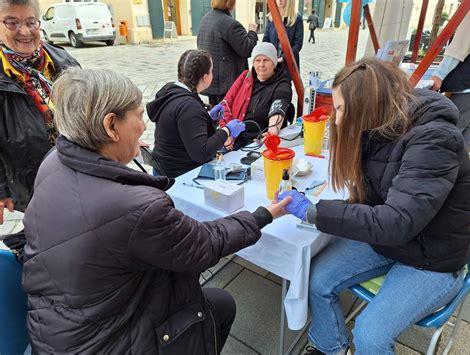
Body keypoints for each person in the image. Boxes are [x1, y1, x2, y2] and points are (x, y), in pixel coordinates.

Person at [22, 67, 292, 354]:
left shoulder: (53, 162)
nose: (142, 126)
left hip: (59, 330)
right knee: (221, 305)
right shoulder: (136, 208)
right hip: (108, 340)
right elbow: (205, 243)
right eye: (138, 117)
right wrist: (263, 214)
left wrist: (116, 159)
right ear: (111, 126)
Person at [278, 58, 470, 354]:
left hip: (431, 258)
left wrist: (316, 212)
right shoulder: (380, 125)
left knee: (370, 334)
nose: (338, 119)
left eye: (341, 109)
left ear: (366, 103)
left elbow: (397, 221)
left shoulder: (434, 138)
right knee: (315, 279)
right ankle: (330, 346)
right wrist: (325, 210)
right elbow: (377, 204)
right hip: (390, 241)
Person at [0, 0, 78, 224]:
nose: (24, 31)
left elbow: (89, 105)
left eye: (30, 22)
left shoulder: (62, 59)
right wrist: (1, 189)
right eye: (11, 23)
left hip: (76, 167)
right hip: (31, 177)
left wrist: (118, 133)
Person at [146, 49, 245, 178]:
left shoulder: (171, 91)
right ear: (205, 77)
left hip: (165, 167)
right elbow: (201, 153)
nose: (212, 74)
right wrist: (227, 130)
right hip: (178, 176)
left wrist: (209, 119)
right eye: (211, 71)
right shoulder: (189, 106)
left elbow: (184, 128)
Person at [211, 42, 293, 151]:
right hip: (234, 138)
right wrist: (227, 132)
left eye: (266, 60)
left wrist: (272, 131)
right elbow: (226, 104)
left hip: (256, 143)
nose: (261, 65)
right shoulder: (246, 76)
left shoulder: (282, 85)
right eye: (257, 60)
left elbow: (277, 110)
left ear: (274, 62)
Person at [197, 0, 258, 107]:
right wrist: (252, 32)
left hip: (211, 79)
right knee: (227, 115)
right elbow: (246, 49)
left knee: (215, 113)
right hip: (227, 82)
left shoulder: (206, 18)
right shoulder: (230, 24)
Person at [430, 8, 470, 151]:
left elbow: (458, 50)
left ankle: (442, 171)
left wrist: (439, 75)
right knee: (465, 133)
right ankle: (461, 172)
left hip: (466, 84)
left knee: (449, 134)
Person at [263, 0, 303, 73]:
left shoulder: (297, 18)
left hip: (288, 63)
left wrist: (283, 58)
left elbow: (298, 44)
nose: (280, 0)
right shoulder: (271, 16)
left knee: (285, 83)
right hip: (273, 62)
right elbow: (266, 39)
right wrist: (269, 56)